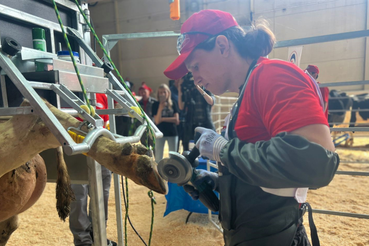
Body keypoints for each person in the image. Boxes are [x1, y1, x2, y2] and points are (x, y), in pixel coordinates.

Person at [164, 9, 339, 246]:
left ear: (223, 46)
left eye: (195, 66)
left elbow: (318, 163)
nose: (194, 79)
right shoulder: (248, 90)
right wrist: (220, 183)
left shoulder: (272, 76)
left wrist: (221, 149)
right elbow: (270, 177)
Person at [69, 93, 117, 246]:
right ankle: (82, 240)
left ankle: (99, 235)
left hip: (101, 150)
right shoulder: (70, 91)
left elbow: (107, 124)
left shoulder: (102, 95)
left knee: (102, 193)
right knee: (78, 195)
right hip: (77, 149)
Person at [177, 72, 215, 151]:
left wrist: (199, 88)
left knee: (211, 143)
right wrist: (180, 90)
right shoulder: (189, 91)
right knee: (190, 145)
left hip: (205, 122)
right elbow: (181, 107)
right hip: (192, 124)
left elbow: (211, 101)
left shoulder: (206, 89)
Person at [152, 84, 180, 162]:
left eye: (164, 92)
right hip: (160, 133)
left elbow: (176, 120)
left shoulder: (173, 103)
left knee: (173, 157)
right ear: (158, 94)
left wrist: (163, 119)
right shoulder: (155, 105)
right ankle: (158, 173)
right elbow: (157, 121)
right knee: (158, 157)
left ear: (168, 93)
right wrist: (160, 108)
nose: (163, 94)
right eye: (160, 92)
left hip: (172, 133)